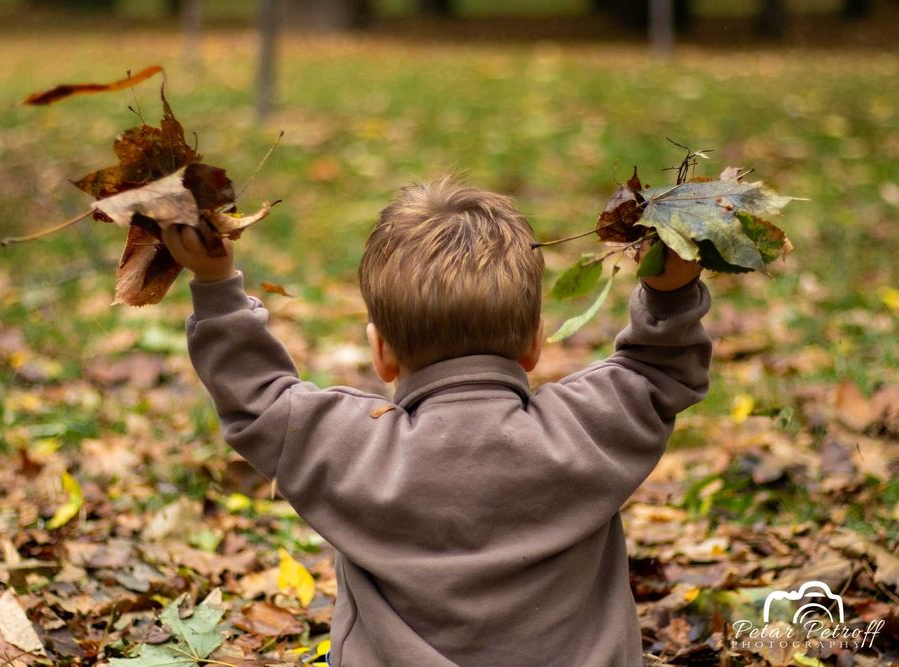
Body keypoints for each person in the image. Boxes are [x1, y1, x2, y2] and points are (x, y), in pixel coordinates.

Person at [162, 177, 711, 666]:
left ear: (382, 353)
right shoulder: (583, 429)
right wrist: (671, 288)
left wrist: (216, 284)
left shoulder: (353, 448)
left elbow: (258, 400)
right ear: (535, 343)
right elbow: (657, 368)